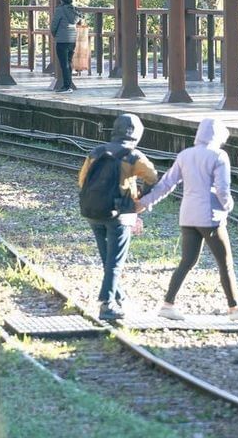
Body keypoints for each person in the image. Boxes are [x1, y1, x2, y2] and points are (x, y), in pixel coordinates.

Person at [136, 118, 238, 321]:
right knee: (225, 263)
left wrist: (144, 202)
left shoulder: (185, 155)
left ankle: (168, 304)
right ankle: (234, 308)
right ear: (219, 136)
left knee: (187, 261)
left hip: (187, 216)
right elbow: (223, 189)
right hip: (210, 217)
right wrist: (228, 205)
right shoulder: (219, 156)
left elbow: (166, 184)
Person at [78, 113, 158, 321]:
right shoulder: (133, 156)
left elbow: (82, 181)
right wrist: (140, 196)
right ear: (137, 134)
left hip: (92, 212)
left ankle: (118, 294)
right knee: (115, 260)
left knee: (107, 257)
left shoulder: (95, 152)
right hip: (120, 215)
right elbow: (152, 177)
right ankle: (107, 303)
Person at [50, 0, 80, 92]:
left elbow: (54, 25)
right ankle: (69, 84)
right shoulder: (74, 10)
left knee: (64, 64)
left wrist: (54, 35)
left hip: (62, 40)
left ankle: (66, 86)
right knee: (69, 62)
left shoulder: (60, 10)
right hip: (72, 39)